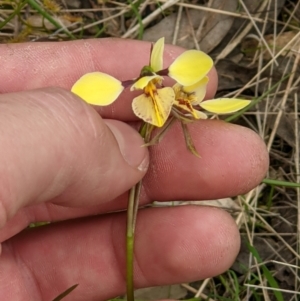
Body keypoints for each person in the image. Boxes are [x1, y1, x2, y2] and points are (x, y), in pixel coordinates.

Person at [0, 39, 268, 300]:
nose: (152, 89)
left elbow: (182, 92)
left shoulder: (165, 92)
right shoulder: (132, 90)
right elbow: (93, 94)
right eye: (149, 86)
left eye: (154, 86)